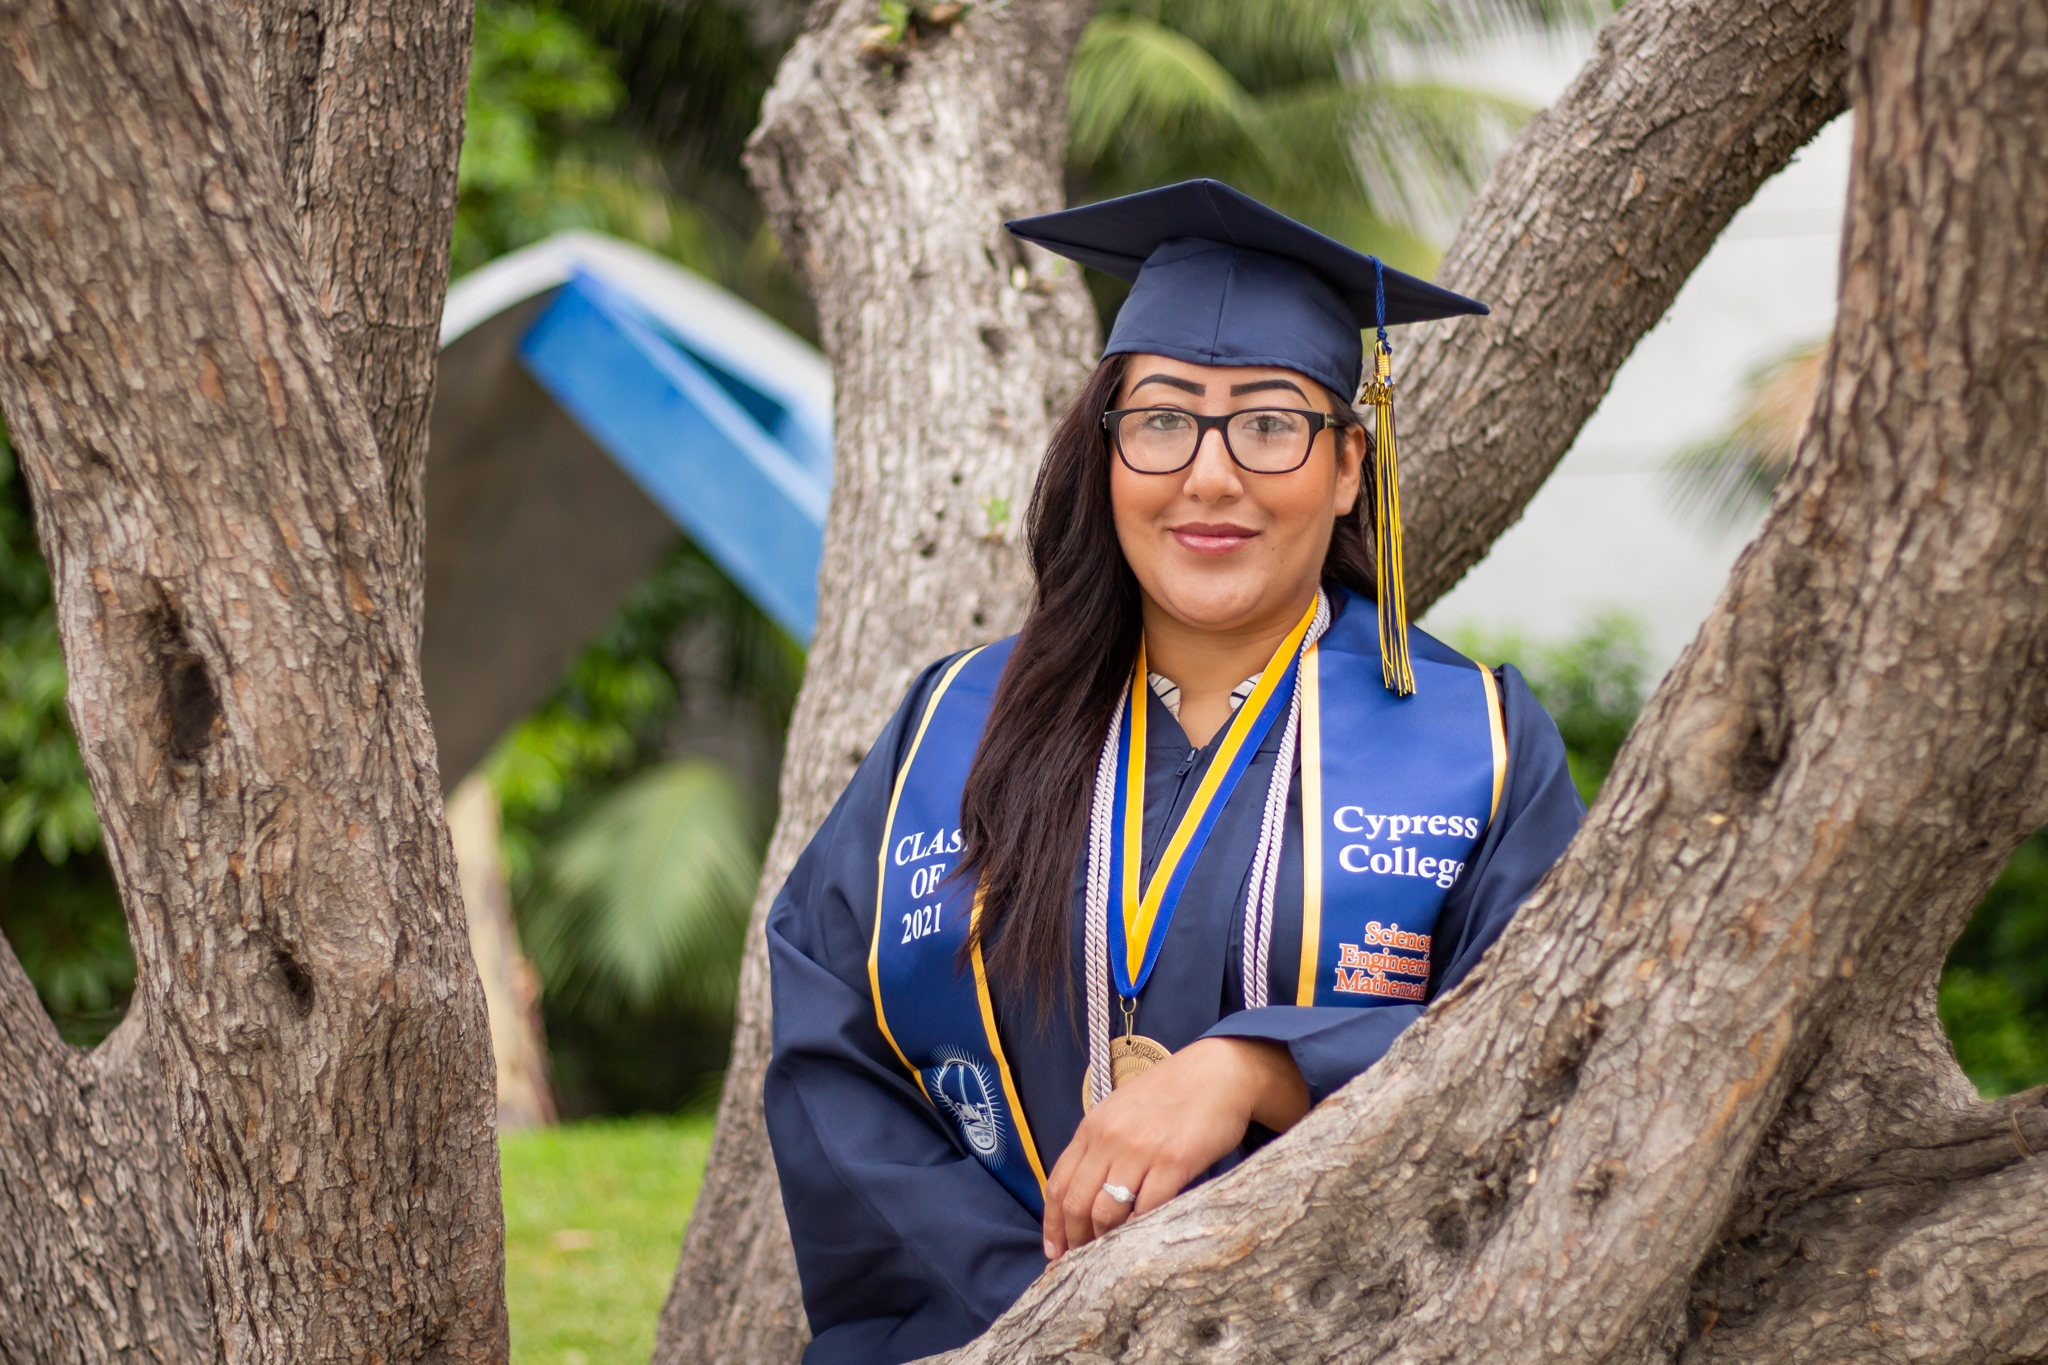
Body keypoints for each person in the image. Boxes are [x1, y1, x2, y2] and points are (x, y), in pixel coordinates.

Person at [763, 180, 1584, 1365]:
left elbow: (1545, 1041)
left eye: (1267, 423)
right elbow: (836, 1062)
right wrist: (1051, 1327)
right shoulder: (950, 724)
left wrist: (1266, 1062)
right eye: (1160, 421)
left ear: (1348, 466)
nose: (1208, 477)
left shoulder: (1479, 746)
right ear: (1104, 453)